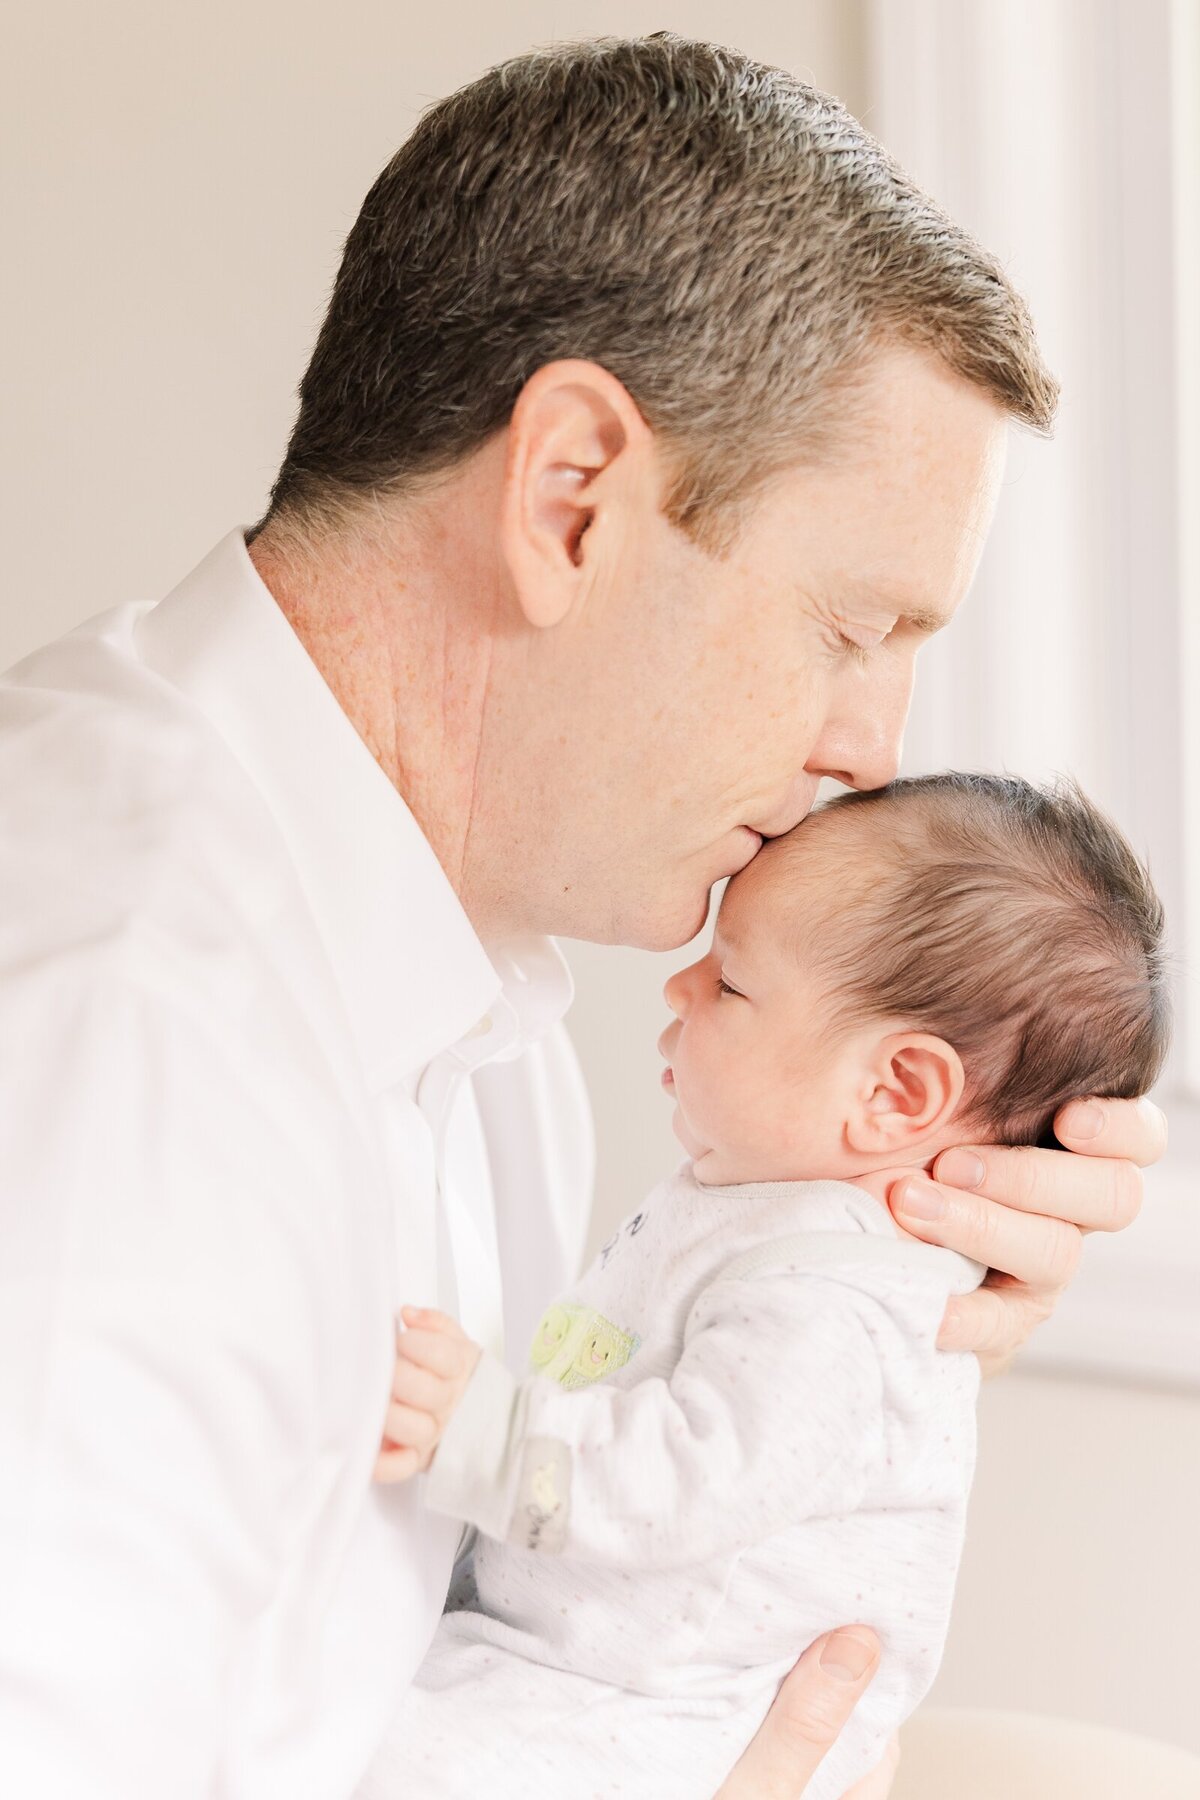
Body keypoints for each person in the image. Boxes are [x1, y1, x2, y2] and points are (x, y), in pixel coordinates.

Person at [0, 33, 1166, 1800]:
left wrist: (845, 1280)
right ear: (571, 499)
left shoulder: (475, 975)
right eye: (855, 629)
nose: (869, 752)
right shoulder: (118, 1046)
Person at [356, 773, 1169, 1800]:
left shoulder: (837, 1304)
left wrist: (483, 1434)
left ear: (895, 1091)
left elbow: (689, 1484)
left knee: (388, 1766)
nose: (678, 989)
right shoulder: (769, 1212)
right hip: (584, 1659)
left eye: (730, 984)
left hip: (657, 1714)